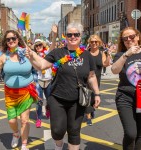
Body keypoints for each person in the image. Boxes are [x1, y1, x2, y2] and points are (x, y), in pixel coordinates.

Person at [25, 22, 101, 150]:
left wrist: (97, 93)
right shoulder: (58, 52)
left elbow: (92, 76)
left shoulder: (87, 55)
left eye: (76, 34)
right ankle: (58, 146)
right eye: (69, 34)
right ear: (66, 36)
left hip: (78, 100)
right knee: (57, 130)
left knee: (74, 131)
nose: (72, 37)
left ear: (80, 36)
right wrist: (32, 56)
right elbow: (42, 65)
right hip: (57, 98)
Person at [0, 30, 38, 150]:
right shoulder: (4, 57)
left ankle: (24, 144)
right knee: (12, 120)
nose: (11, 41)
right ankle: (16, 133)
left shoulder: (27, 53)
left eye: (13, 38)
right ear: (6, 42)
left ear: (18, 39)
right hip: (10, 94)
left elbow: (40, 63)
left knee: (24, 120)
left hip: (26, 92)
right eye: (8, 39)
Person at [111, 27, 141, 150]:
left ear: (138, 37)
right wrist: (126, 54)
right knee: (131, 133)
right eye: (125, 39)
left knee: (139, 133)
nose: (129, 40)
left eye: (132, 36)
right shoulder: (121, 55)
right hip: (125, 97)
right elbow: (114, 70)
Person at [33, 24, 57, 128]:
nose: (39, 47)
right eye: (37, 46)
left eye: (40, 45)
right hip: (38, 81)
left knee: (49, 100)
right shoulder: (33, 56)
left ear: (43, 46)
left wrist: (54, 35)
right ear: (35, 47)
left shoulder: (47, 53)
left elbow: (52, 46)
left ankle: (48, 109)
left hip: (48, 80)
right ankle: (39, 118)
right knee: (39, 101)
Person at [85, 35, 111, 125]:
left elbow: (105, 64)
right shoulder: (86, 53)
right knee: (87, 96)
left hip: (97, 78)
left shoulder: (101, 53)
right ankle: (88, 116)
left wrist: (109, 55)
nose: (94, 43)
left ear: (99, 43)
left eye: (96, 41)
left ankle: (91, 109)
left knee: (94, 96)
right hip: (87, 78)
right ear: (89, 43)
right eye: (92, 42)